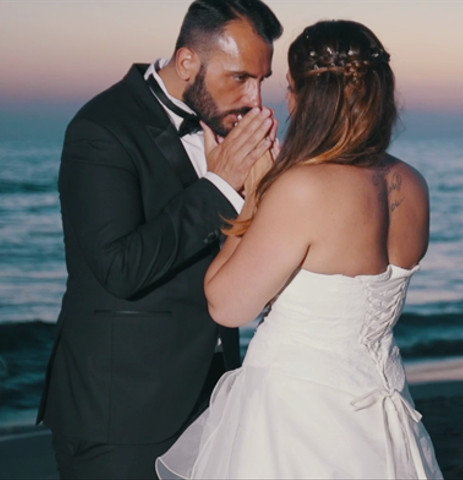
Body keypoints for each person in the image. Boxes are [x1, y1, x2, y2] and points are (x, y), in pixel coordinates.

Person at [155, 20, 443, 479]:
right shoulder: (412, 183)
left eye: (289, 89)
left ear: (307, 97)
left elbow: (226, 305)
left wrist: (254, 195)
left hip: (298, 415)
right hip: (380, 412)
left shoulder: (303, 189)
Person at [37, 1, 282, 478]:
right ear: (188, 61)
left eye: (262, 79)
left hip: (215, 396)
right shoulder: (100, 129)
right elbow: (120, 268)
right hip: (121, 412)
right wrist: (218, 186)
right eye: (240, 77)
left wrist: (263, 192)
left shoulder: (230, 128)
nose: (255, 98)